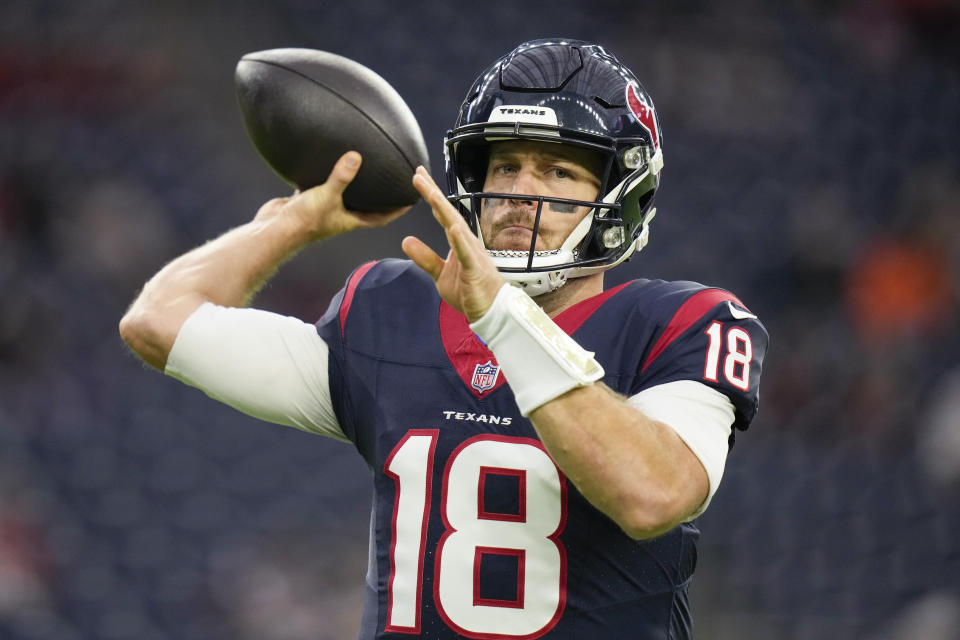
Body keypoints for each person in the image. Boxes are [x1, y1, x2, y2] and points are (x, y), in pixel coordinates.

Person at [120, 38, 768, 639]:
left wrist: (501, 320)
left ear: (622, 194)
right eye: (506, 165)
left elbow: (654, 495)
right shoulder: (388, 314)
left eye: (559, 172)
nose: (520, 192)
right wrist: (291, 225)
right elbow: (158, 322)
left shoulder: (679, 324)